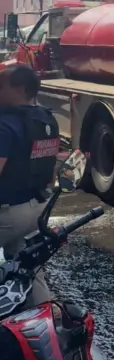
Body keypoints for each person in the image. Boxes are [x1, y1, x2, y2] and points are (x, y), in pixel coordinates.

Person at [0, 64, 59, 308]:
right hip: (38, 209)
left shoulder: (5, 124)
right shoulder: (47, 119)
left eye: (1, 85)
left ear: (20, 89)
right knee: (29, 268)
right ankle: (44, 320)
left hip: (8, 213)